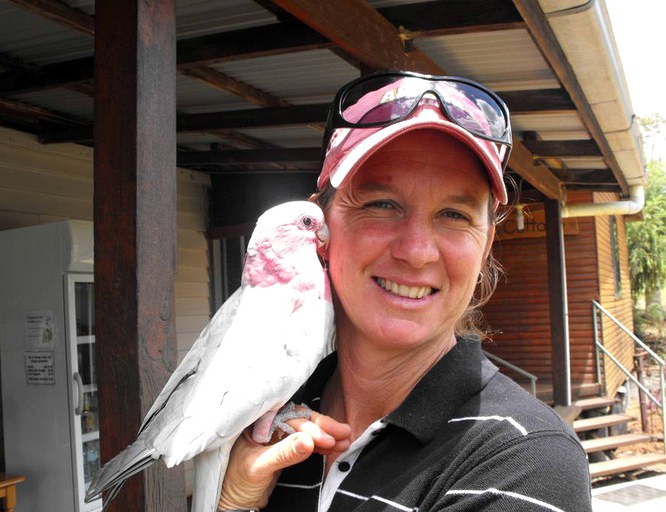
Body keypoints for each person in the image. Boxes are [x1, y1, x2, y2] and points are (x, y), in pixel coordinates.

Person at [217, 71, 592, 511]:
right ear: (322, 226)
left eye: (453, 214)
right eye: (381, 204)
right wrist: (234, 502)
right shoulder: (265, 414)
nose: (416, 252)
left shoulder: (525, 462)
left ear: (485, 244)